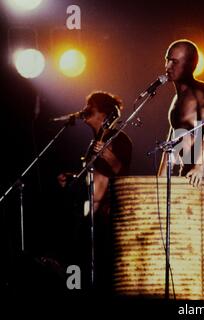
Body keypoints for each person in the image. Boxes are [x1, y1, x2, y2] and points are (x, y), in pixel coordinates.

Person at [158, 39, 204, 300]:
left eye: (174, 61)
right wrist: (160, 177)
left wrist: (200, 164)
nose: (167, 65)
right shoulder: (176, 98)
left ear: (189, 65)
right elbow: (173, 138)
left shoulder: (202, 91)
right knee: (182, 241)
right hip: (184, 175)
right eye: (167, 58)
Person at [57, 91, 132, 293]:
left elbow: (122, 173)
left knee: (103, 273)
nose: (86, 109)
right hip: (89, 215)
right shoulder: (93, 142)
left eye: (91, 105)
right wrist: (73, 178)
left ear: (103, 113)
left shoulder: (119, 138)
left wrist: (107, 155)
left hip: (107, 218)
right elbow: (93, 176)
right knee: (79, 269)